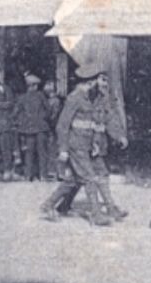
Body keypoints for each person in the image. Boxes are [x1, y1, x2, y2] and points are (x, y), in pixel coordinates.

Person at [41, 64, 129, 226]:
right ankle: (96, 215)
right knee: (89, 178)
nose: (100, 83)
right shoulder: (75, 98)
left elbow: (101, 120)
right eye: (98, 80)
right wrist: (63, 149)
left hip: (90, 146)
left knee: (80, 178)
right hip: (76, 146)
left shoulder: (94, 97)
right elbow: (62, 125)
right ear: (90, 81)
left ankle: (49, 206)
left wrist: (117, 136)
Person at [13, 72, 49, 181]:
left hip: (28, 129)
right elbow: (48, 110)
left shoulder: (22, 98)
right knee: (42, 152)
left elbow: (15, 113)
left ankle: (28, 175)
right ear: (35, 86)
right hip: (41, 128)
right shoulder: (41, 96)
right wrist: (43, 119)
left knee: (29, 153)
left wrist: (22, 122)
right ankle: (43, 175)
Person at [41, 80, 63, 178]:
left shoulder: (54, 101)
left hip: (52, 128)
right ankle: (57, 171)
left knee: (52, 149)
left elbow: (53, 115)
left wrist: (47, 121)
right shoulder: (54, 100)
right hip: (54, 127)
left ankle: (54, 171)